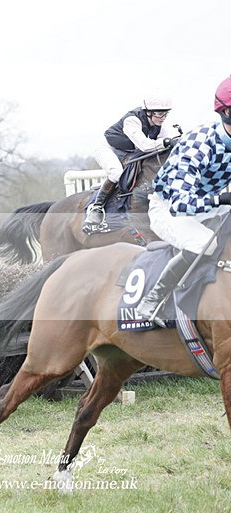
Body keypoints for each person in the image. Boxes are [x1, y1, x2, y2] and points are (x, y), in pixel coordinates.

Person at [135, 76, 231, 326]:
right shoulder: (199, 144)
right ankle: (152, 300)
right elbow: (180, 204)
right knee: (203, 244)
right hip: (169, 208)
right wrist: (221, 198)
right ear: (228, 113)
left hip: (207, 205)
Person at [84, 93, 181, 232]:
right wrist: (166, 142)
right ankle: (96, 207)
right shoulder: (132, 120)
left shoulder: (159, 125)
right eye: (160, 113)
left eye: (165, 114)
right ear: (148, 112)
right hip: (107, 148)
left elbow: (164, 144)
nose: (163, 117)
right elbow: (146, 145)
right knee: (117, 173)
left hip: (127, 151)